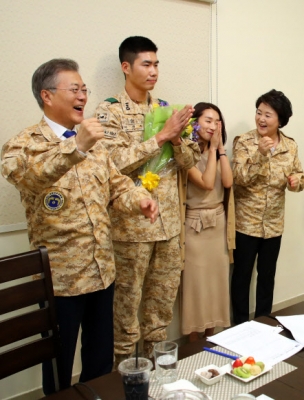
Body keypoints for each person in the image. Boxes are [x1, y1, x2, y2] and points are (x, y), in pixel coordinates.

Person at [1, 58, 158, 395]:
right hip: (59, 281)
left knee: (100, 363)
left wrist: (139, 199)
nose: (83, 96)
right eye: (74, 89)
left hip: (102, 271)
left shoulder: (96, 144)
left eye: (84, 89)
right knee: (57, 368)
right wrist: (77, 146)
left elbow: (117, 187)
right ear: (47, 95)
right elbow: (31, 178)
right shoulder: (22, 145)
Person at [94, 36, 201, 365]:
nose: (154, 71)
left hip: (168, 226)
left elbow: (188, 164)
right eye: (146, 64)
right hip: (131, 230)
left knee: (160, 311)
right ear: (127, 67)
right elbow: (109, 165)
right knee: (126, 313)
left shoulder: (165, 109)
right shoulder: (108, 112)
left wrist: (180, 138)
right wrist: (161, 137)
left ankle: (160, 375)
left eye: (156, 64)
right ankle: (123, 381)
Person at [231, 89, 303, 325]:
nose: (261, 119)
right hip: (246, 224)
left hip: (273, 225)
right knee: (241, 278)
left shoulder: (290, 146)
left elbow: (299, 177)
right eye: (258, 112)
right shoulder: (244, 141)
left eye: (268, 115)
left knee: (267, 277)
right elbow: (239, 178)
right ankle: (240, 326)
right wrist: (260, 155)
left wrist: (296, 182)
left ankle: (263, 323)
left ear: (280, 120)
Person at [181, 102, 234, 341]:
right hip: (195, 227)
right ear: (195, 123)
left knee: (216, 285)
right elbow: (206, 182)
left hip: (218, 224)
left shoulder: (217, 149)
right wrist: (211, 151)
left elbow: (227, 183)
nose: (213, 126)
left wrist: (220, 149)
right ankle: (193, 344)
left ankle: (212, 338)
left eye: (216, 121)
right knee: (196, 288)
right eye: (208, 120)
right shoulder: (186, 151)